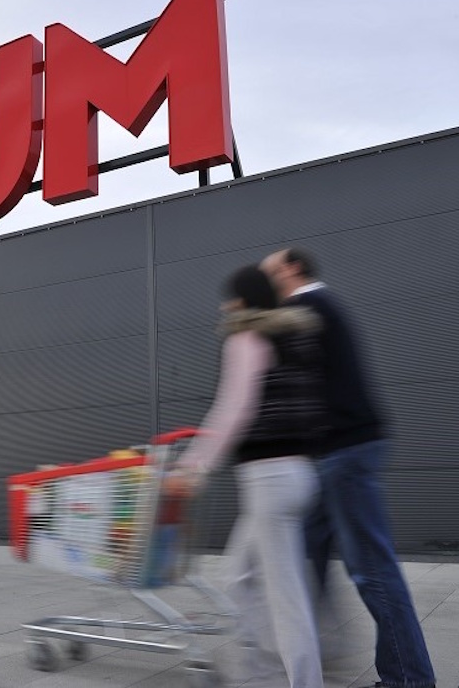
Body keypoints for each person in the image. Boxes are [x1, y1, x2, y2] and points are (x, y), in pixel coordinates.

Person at [260, 247, 436, 688]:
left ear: (293, 268)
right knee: (306, 554)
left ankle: (409, 679)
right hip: (333, 455)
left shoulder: (310, 306)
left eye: (270, 272)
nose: (267, 281)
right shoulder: (319, 308)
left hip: (346, 453)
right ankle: (317, 651)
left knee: (371, 568)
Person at [168, 264, 325, 688]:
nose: (226, 306)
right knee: (238, 577)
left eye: (231, 298)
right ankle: (260, 674)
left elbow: (235, 407)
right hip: (298, 473)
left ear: (244, 300)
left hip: (269, 478)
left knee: (285, 596)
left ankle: (303, 681)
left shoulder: (246, 337)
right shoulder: (295, 337)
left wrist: (192, 468)